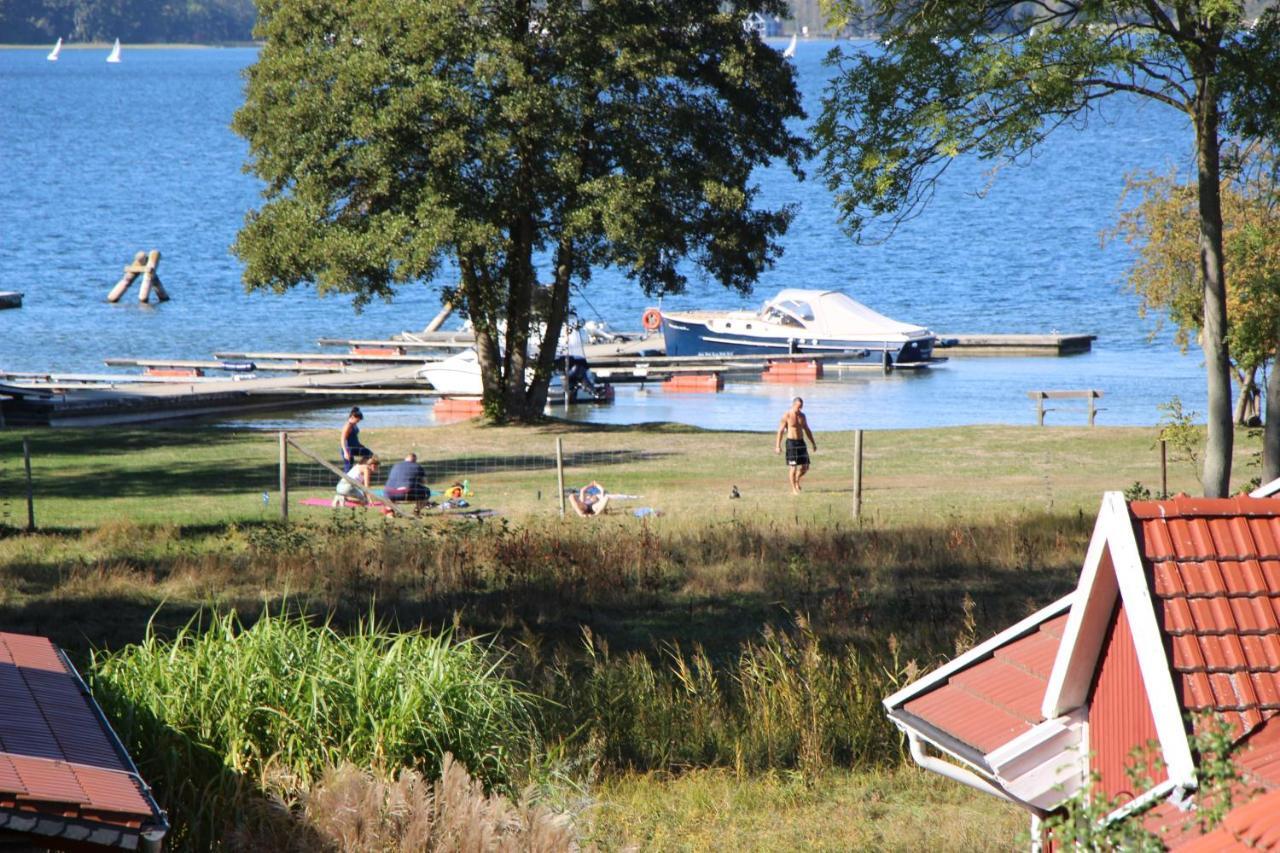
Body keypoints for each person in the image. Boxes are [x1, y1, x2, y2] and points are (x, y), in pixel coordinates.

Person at [774, 397, 816, 494]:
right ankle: (793, 489)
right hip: (791, 443)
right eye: (798, 407)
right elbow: (780, 431)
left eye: (801, 407)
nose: (799, 409)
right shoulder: (787, 415)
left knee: (805, 467)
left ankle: (797, 479)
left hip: (801, 442)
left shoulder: (802, 416)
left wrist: (813, 443)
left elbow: (807, 430)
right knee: (793, 467)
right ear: (793, 405)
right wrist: (777, 446)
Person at [340, 407, 368, 472]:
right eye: (357, 420)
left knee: (369, 454)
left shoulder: (353, 424)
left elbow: (353, 437)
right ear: (352, 417)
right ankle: (345, 481)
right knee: (348, 467)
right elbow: (342, 439)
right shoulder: (348, 426)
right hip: (348, 449)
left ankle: (356, 469)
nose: (358, 422)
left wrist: (359, 444)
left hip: (356, 447)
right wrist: (345, 452)